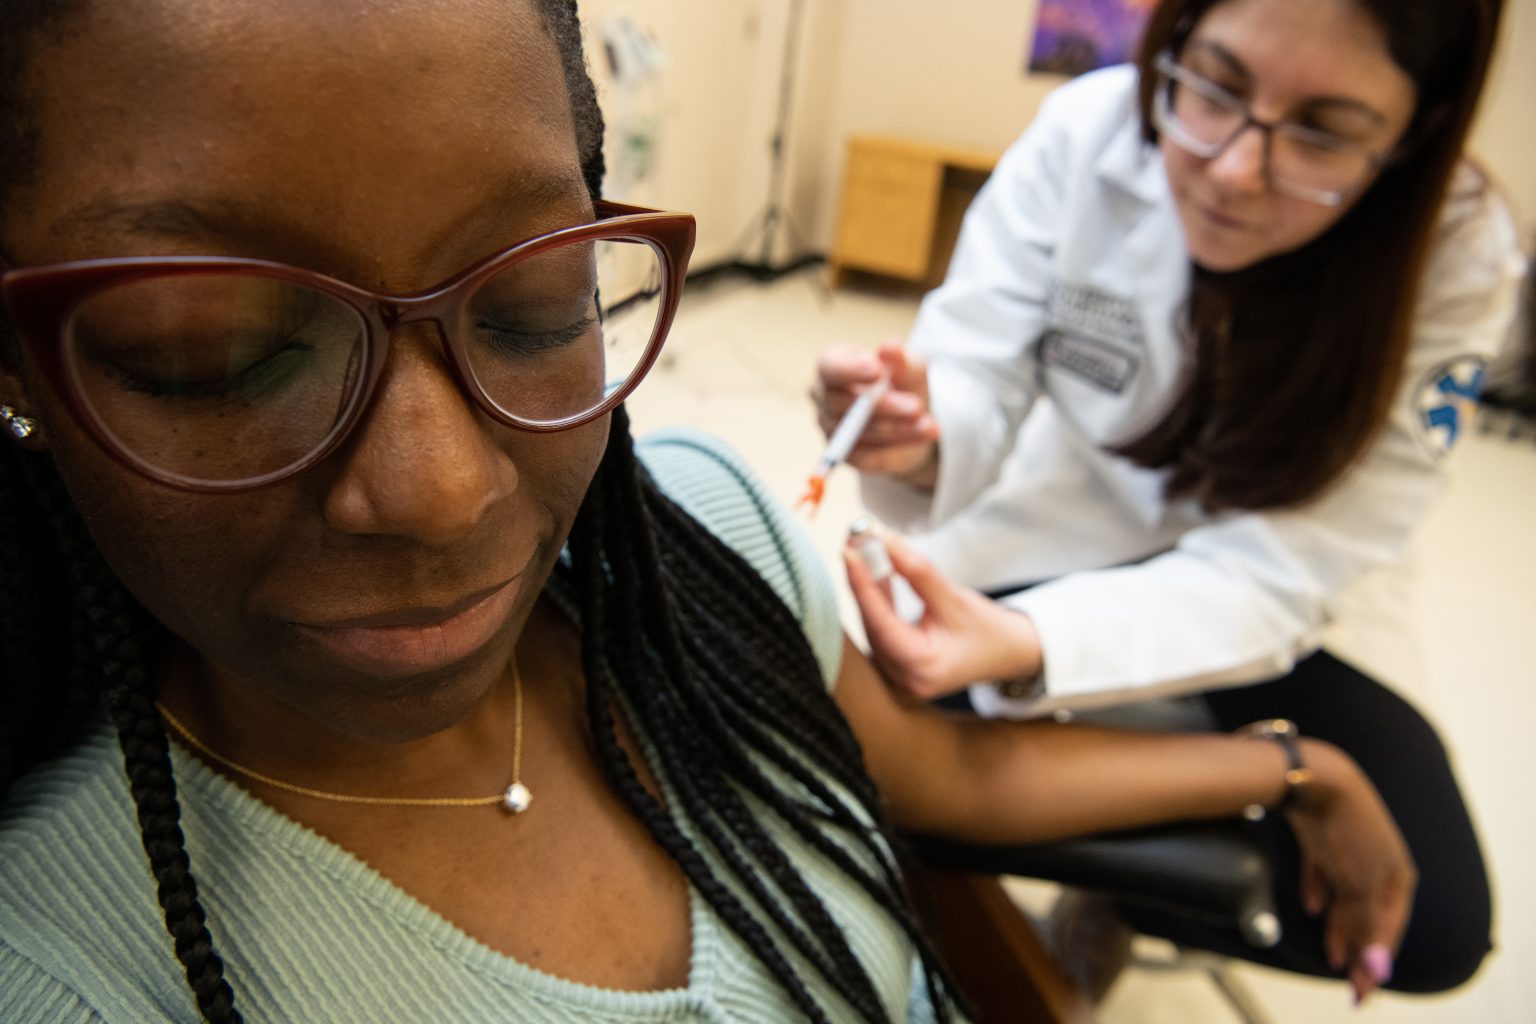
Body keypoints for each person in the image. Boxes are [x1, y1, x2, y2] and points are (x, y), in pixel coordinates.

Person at [0, 1, 1416, 1021]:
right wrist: (946, 427)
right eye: (215, 350)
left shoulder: (706, 538)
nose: (442, 491)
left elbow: (959, 781)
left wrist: (1307, 770)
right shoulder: (69, 968)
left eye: (534, 304)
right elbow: (981, 363)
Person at [816, 0, 1520, 998]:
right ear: (1173, 41)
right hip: (1061, 533)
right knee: (919, 765)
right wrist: (920, 434)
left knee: (1437, 924)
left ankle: (1131, 892)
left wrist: (1035, 651)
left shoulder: (1458, 254)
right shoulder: (1089, 134)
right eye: (1217, 85)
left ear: (1417, 134)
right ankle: (1149, 842)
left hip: (1288, 589)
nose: (1234, 168)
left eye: (1322, 130)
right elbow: (969, 378)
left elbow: (1278, 575)